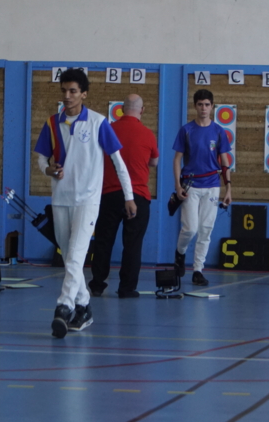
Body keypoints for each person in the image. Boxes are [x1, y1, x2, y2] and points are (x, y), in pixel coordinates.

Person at [34, 69, 137, 338]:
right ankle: (84, 307)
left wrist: (129, 196)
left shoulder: (98, 122)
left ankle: (64, 306)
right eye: (64, 91)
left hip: (88, 200)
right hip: (60, 199)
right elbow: (41, 159)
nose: (67, 96)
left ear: (84, 94)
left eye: (73, 91)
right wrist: (48, 170)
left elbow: (118, 162)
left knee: (76, 254)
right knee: (70, 256)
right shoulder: (52, 124)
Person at [89, 94, 159, 298]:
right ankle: (127, 288)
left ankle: (97, 284)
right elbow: (154, 162)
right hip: (138, 195)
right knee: (133, 244)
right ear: (142, 110)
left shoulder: (108, 130)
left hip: (109, 194)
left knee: (103, 241)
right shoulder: (148, 134)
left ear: (120, 109)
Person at [172, 89, 232, 286]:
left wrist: (228, 188)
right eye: (200, 104)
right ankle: (180, 253)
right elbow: (177, 159)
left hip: (212, 185)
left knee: (206, 229)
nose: (203, 108)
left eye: (207, 104)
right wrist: (177, 185)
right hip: (190, 185)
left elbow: (225, 161)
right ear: (195, 106)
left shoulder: (219, 131)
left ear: (212, 106)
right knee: (190, 228)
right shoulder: (186, 130)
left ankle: (198, 270)